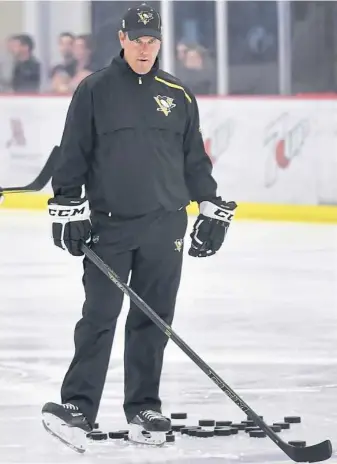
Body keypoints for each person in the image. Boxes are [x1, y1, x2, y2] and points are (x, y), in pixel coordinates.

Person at [42, 2, 236, 452]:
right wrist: (69, 208)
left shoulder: (179, 94)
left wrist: (210, 207)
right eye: (138, 39)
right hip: (110, 227)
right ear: (122, 40)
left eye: (153, 39)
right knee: (100, 317)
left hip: (165, 225)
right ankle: (77, 406)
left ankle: (144, 409)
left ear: (160, 42)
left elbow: (195, 162)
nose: (145, 47)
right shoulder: (94, 90)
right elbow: (73, 154)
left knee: (154, 320)